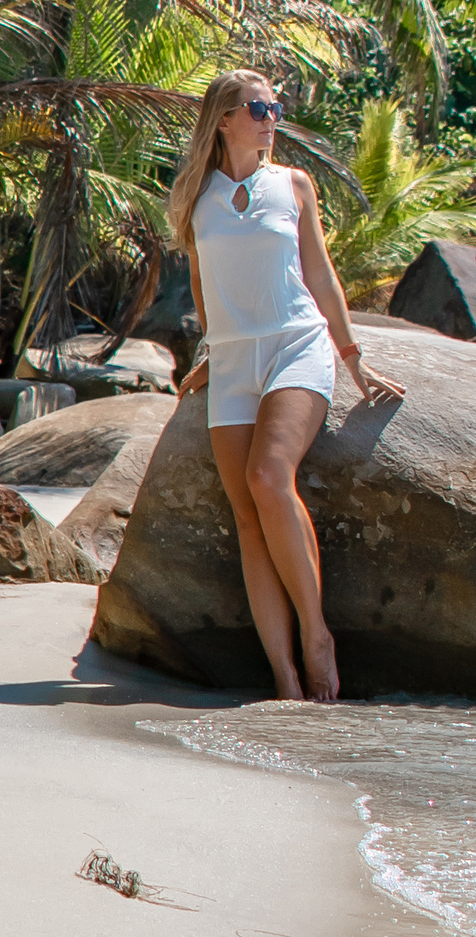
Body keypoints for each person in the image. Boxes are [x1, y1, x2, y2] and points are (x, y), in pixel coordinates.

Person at [168, 67, 402, 702]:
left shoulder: (293, 185)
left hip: (296, 345)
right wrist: (214, 351)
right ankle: (284, 676)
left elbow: (321, 276)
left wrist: (353, 359)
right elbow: (201, 282)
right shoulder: (197, 195)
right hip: (235, 360)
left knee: (269, 479)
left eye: (275, 107)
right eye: (258, 108)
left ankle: (316, 634)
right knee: (246, 515)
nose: (272, 117)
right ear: (223, 119)